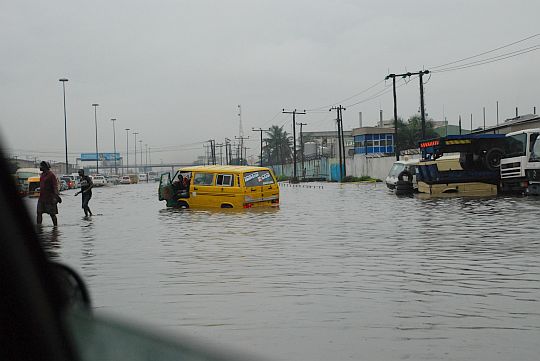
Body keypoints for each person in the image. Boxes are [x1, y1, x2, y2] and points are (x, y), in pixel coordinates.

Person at [36, 161, 60, 226]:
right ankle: (39, 227)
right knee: (39, 212)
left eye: (41, 166)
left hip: (49, 198)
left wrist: (56, 197)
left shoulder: (51, 175)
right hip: (41, 198)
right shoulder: (42, 175)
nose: (40, 167)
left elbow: (55, 186)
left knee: (52, 214)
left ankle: (55, 227)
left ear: (46, 167)